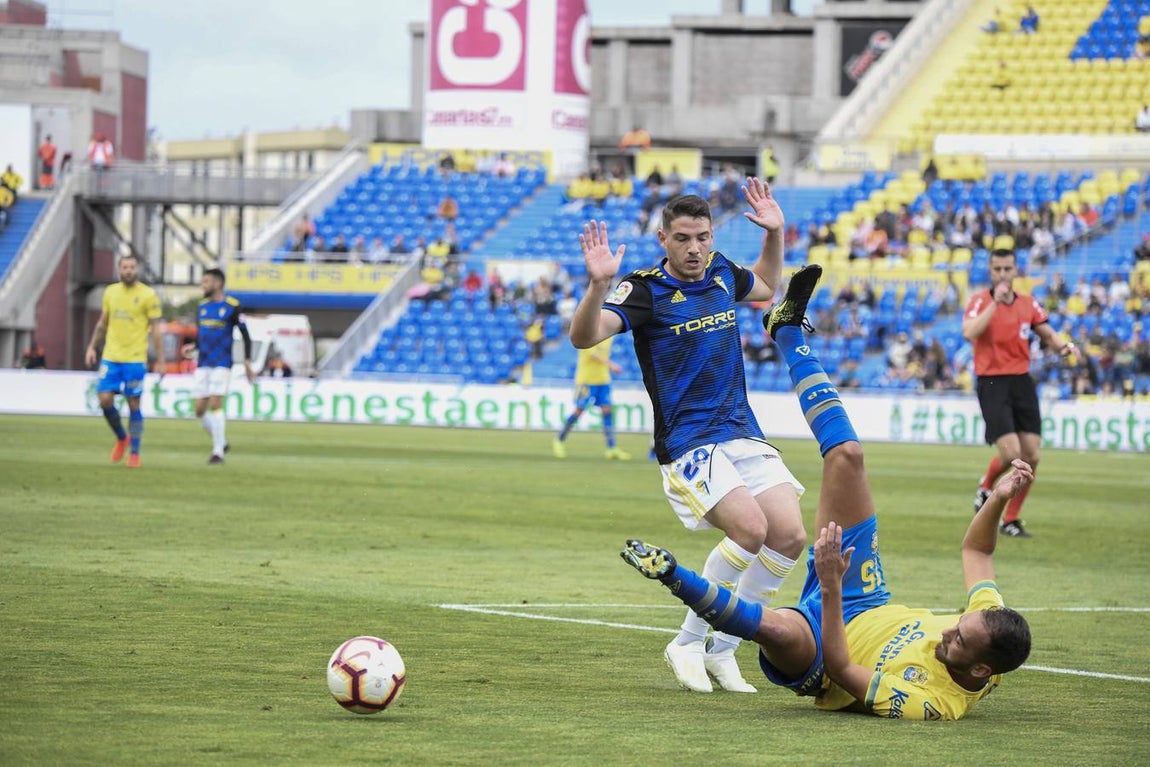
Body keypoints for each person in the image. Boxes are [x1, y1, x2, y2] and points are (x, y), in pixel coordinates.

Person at [621, 263, 1035, 720]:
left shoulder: (933, 704)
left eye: (958, 640)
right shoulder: (993, 628)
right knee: (848, 456)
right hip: (866, 594)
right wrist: (997, 498)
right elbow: (977, 553)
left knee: (777, 631)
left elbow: (840, 666)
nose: (946, 633)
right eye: (959, 623)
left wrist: (830, 585)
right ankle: (786, 331)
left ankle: (676, 585)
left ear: (979, 669)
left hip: (821, 652)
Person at [569, 179, 807, 694]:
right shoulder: (644, 290)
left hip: (742, 430)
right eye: (682, 238)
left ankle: (723, 651)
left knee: (788, 536)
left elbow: (767, 286)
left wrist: (776, 233)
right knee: (749, 530)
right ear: (663, 239)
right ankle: (686, 641)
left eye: (701, 236)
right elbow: (584, 337)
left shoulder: (722, 270)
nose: (695, 247)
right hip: (689, 441)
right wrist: (596, 286)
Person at [962, 236, 1075, 537]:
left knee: (1032, 456)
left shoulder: (1028, 304)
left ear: (1015, 271)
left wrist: (1063, 347)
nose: (1002, 274)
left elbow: (1048, 333)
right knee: (1012, 453)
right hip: (992, 382)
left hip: (1022, 381)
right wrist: (995, 304)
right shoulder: (979, 302)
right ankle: (986, 486)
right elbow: (970, 332)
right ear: (990, 270)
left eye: (1007, 268)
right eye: (997, 268)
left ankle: (1010, 519)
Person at [84, 254, 163, 468]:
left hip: (135, 359)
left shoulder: (148, 295)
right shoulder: (110, 292)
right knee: (104, 399)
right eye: (125, 267)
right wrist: (92, 347)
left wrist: (161, 359)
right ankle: (122, 437)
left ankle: (135, 453)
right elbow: (103, 323)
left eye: (132, 267)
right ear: (119, 270)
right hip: (111, 356)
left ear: (137, 270)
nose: (128, 270)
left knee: (134, 403)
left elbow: (156, 329)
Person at [185, 268, 254, 465]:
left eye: (206, 282)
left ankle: (217, 452)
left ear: (218, 284)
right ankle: (221, 441)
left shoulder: (233, 306)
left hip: (222, 363)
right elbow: (202, 334)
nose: (203, 285)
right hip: (203, 362)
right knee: (199, 409)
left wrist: (247, 362)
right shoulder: (202, 307)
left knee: (216, 404)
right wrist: (194, 346)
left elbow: (245, 335)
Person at [551, 337, 631, 461]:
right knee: (579, 411)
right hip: (586, 380)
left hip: (603, 380)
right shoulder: (588, 334)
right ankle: (559, 440)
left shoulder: (608, 336)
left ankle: (611, 448)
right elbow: (593, 355)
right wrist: (611, 365)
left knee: (607, 411)